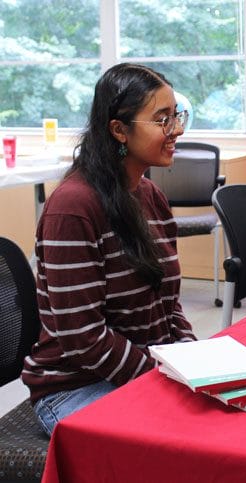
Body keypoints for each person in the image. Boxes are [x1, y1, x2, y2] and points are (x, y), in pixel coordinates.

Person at [22, 63, 197, 436]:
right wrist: (164, 377)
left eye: (176, 116)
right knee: (185, 440)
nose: (177, 130)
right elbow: (83, 338)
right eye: (162, 120)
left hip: (142, 370)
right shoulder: (74, 207)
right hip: (74, 387)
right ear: (119, 130)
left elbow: (168, 304)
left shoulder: (150, 196)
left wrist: (193, 358)